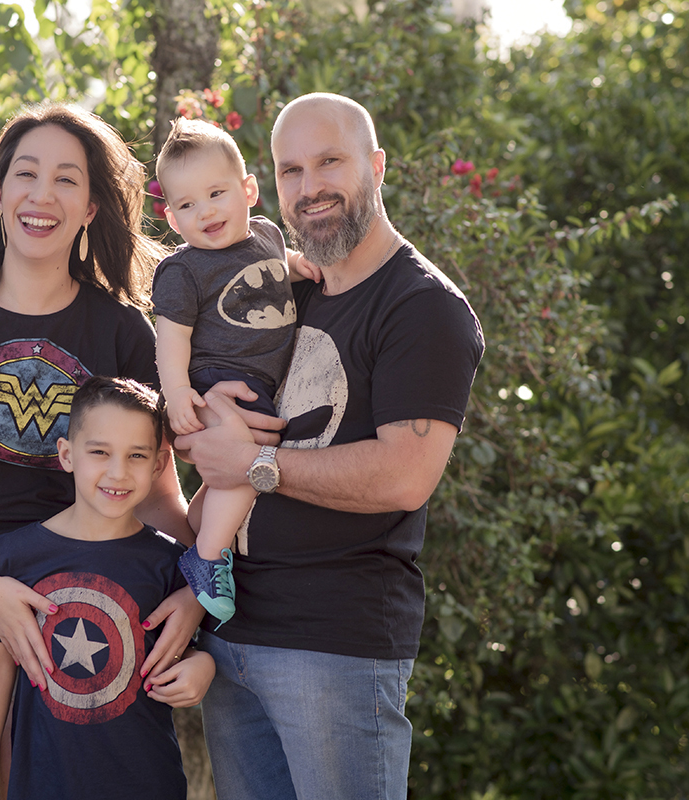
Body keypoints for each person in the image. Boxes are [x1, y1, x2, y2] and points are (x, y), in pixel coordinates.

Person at [0, 103, 204, 800]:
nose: (41, 195)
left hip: (76, 610)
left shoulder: (121, 331)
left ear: (89, 207)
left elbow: (156, 491)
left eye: (65, 180)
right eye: (26, 174)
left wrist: (205, 593)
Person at [175, 93, 486, 800]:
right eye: (290, 170)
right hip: (233, 639)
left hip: (334, 649)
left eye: (329, 162)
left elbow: (404, 477)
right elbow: (232, 450)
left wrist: (254, 465)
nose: (309, 186)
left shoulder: (423, 306)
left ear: (376, 166)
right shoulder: (291, 293)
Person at [0, 376, 216, 800]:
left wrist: (203, 667)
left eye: (136, 455)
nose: (117, 472)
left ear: (159, 464)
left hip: (146, 781)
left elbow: (182, 648)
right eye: (99, 452)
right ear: (67, 454)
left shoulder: (172, 561)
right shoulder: (13, 557)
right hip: (42, 784)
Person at [151, 117, 310, 624]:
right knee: (246, 467)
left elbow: (272, 256)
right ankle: (207, 560)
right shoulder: (182, 270)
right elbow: (171, 336)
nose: (206, 211)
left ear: (248, 190)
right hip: (213, 383)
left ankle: (192, 541)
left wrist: (298, 262)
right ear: (173, 219)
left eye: (216, 193)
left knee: (224, 482)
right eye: (187, 204)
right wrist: (176, 391)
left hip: (260, 385)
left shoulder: (265, 233)